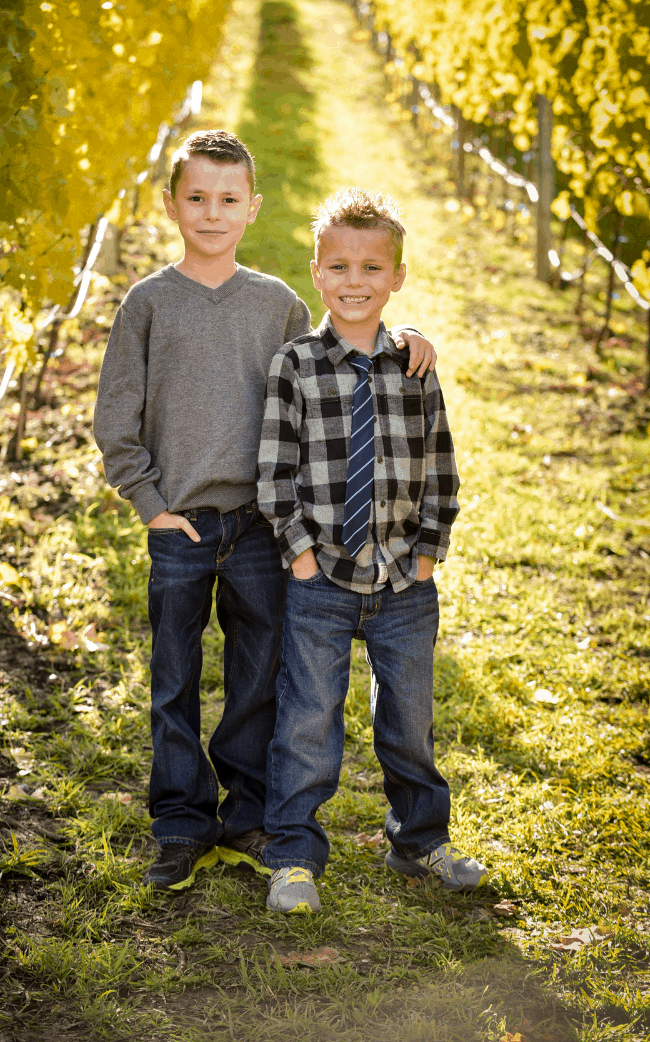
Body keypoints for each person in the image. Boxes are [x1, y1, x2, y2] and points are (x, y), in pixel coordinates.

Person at [92, 130, 439, 891]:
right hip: (181, 526)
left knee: (260, 674)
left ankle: (249, 811)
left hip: (264, 526)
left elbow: (336, 356)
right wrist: (150, 504)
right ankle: (181, 821)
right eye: (196, 198)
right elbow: (114, 419)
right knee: (173, 677)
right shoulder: (148, 303)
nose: (211, 214)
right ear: (172, 203)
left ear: (253, 207)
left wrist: (407, 336)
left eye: (227, 199)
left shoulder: (276, 302)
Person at [256, 187, 482, 914]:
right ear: (317, 273)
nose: (356, 283)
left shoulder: (414, 368)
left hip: (402, 582)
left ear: (397, 277)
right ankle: (292, 853)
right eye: (340, 268)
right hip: (321, 576)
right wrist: (298, 554)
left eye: (372, 268)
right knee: (307, 717)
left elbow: (442, 464)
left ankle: (419, 840)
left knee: (410, 716)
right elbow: (274, 470)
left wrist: (428, 553)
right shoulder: (295, 364)